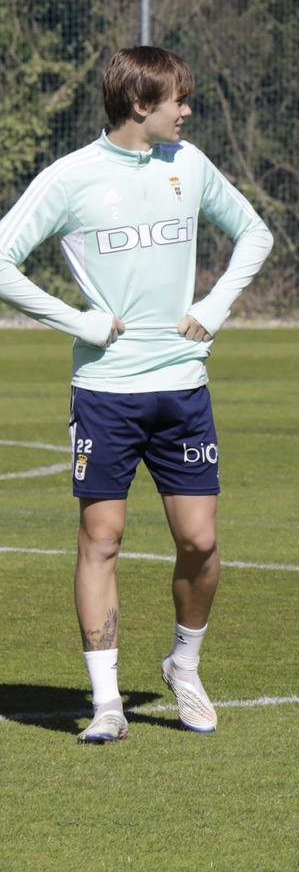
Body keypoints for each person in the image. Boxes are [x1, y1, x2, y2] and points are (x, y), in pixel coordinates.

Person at [0, 46, 272, 743]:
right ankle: (107, 702)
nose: (188, 110)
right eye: (179, 99)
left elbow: (254, 234)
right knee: (102, 537)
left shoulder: (190, 164)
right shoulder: (72, 178)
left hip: (182, 387)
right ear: (139, 103)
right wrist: (81, 320)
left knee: (201, 540)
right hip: (106, 392)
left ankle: (184, 662)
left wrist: (212, 309)